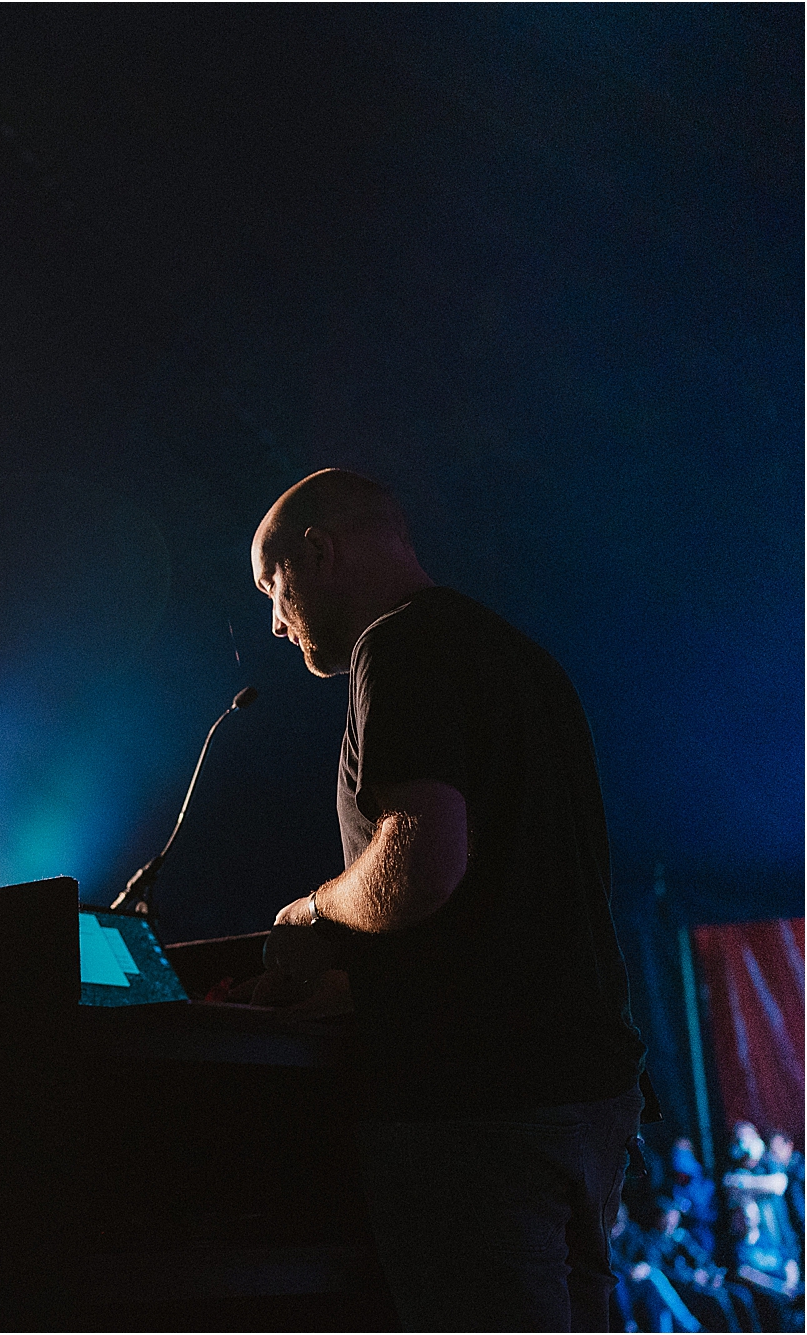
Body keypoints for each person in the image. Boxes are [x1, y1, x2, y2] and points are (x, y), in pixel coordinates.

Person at [254, 468, 647, 1331]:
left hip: (475, 1112)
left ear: (317, 553)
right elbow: (508, 907)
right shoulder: (525, 660)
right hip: (583, 1093)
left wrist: (316, 911)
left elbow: (424, 863)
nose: (274, 622)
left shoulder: (397, 647)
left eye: (271, 587)